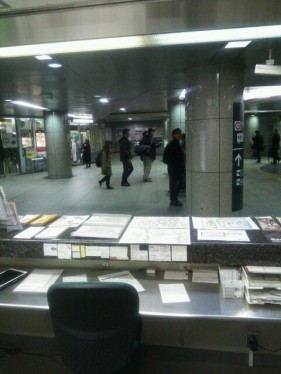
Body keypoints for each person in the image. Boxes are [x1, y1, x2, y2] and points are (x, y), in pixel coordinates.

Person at [165, 128, 185, 207]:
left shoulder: (176, 143)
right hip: (175, 168)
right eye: (178, 133)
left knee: (175, 183)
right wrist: (173, 165)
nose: (180, 135)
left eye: (180, 133)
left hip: (174, 167)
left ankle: (173, 199)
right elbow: (168, 157)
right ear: (174, 135)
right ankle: (173, 199)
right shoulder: (173, 144)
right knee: (180, 181)